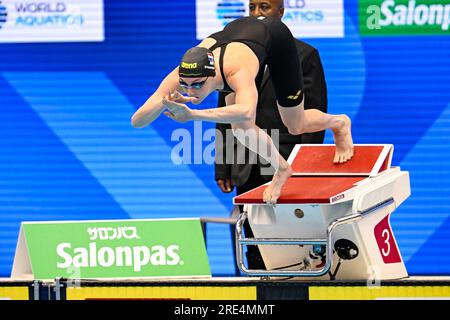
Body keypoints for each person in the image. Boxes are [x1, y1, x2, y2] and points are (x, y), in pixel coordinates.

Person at [131, 14, 353, 205]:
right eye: (186, 85)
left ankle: (339, 123)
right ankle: (283, 168)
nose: (192, 91)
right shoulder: (183, 73)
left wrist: (192, 115)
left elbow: (246, 111)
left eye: (198, 84)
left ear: (212, 75)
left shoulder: (235, 70)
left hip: (276, 41)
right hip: (236, 39)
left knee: (294, 124)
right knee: (240, 130)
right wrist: (162, 102)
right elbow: (137, 121)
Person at [215, 0, 328, 270]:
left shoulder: (304, 55)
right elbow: (225, 113)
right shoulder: (233, 55)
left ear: (281, 12)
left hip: (285, 162)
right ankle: (255, 288)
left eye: (264, 7)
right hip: (245, 163)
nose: (256, 14)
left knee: (289, 239)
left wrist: (304, 168)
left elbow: (313, 112)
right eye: (252, 7)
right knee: (250, 236)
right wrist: (223, 165)